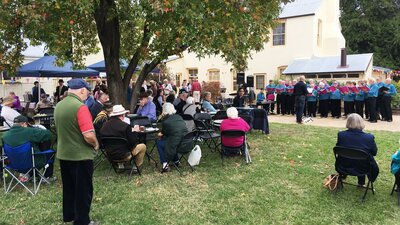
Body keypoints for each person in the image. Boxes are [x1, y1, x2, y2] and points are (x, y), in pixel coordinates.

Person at [54, 78, 100, 225]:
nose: (88, 94)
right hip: (80, 156)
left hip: (64, 153)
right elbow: (88, 135)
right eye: (87, 90)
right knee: (83, 191)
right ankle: (82, 221)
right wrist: (96, 144)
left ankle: (69, 215)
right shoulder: (80, 107)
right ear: (81, 90)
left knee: (69, 188)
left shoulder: (59, 106)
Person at [3, 115, 53, 182]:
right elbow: (48, 134)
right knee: (50, 152)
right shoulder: (29, 131)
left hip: (13, 165)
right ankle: (47, 176)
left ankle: (31, 176)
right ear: (25, 124)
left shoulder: (5, 135)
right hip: (32, 164)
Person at [336, 113, 379, 187]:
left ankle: (344, 176)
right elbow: (374, 152)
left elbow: (338, 148)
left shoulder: (341, 135)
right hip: (363, 168)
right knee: (362, 158)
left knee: (356, 157)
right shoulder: (369, 137)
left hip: (343, 165)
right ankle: (361, 183)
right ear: (361, 122)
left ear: (348, 122)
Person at [100, 105, 147, 170]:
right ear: (122, 115)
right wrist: (135, 132)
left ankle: (120, 165)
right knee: (142, 146)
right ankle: (135, 167)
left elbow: (102, 141)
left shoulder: (104, 126)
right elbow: (133, 143)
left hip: (110, 155)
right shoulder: (125, 126)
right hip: (124, 155)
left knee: (119, 145)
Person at [156, 103, 189, 172]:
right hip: (186, 143)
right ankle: (176, 161)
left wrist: (160, 134)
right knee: (173, 140)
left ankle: (165, 164)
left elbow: (163, 133)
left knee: (159, 142)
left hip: (176, 145)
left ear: (164, 110)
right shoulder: (179, 117)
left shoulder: (166, 121)